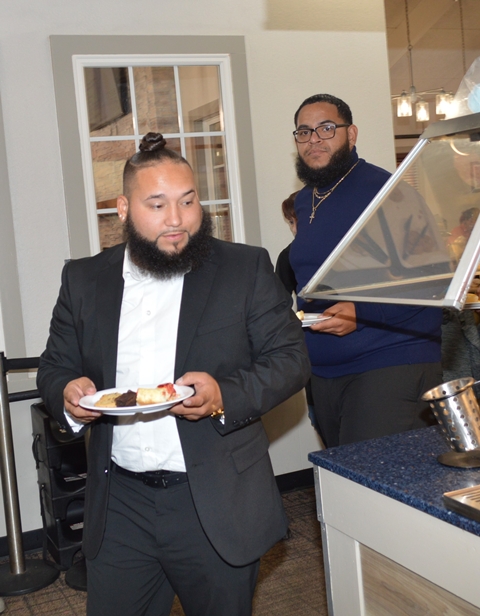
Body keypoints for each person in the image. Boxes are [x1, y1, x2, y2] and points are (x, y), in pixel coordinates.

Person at [37, 133, 310, 616]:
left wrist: (223, 394)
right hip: (119, 503)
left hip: (214, 500)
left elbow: (291, 359)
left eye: (188, 201)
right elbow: (55, 365)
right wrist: (68, 392)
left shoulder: (243, 267)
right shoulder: (83, 279)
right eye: (157, 205)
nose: (177, 219)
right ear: (124, 209)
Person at [289, 93, 443, 448]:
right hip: (324, 372)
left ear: (352, 134)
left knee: (374, 478)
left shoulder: (387, 192)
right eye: (304, 132)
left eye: (327, 128)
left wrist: (362, 313)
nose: (314, 139)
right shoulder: (305, 199)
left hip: (388, 361)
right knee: (341, 477)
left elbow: (434, 282)